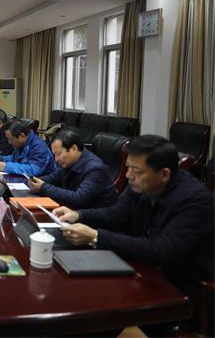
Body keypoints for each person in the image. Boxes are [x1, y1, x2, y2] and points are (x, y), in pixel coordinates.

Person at [54, 135, 213, 328]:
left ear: (164, 174)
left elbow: (160, 250)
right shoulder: (141, 184)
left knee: (90, 311)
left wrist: (96, 236)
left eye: (136, 170)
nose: (128, 175)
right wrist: (78, 215)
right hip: (139, 268)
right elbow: (116, 214)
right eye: (128, 167)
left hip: (176, 289)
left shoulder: (196, 201)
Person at [27, 130, 118, 209]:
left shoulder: (95, 169)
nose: (56, 159)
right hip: (74, 212)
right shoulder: (69, 162)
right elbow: (53, 178)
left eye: (58, 154)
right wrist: (35, 180)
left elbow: (79, 198)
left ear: (74, 148)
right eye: (54, 155)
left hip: (94, 218)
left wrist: (43, 187)